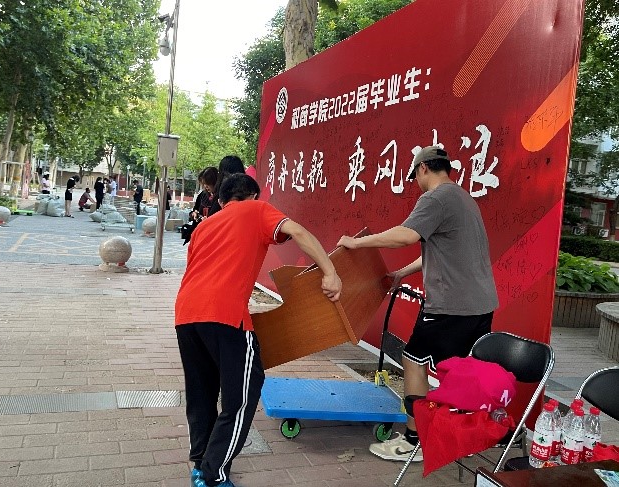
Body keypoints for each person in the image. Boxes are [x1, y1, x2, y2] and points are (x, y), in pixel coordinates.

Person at [175, 174, 342, 487]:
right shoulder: (257, 209)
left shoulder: (204, 226)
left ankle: (200, 464)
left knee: (201, 393)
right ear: (253, 196)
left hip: (186, 314)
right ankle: (213, 475)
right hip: (225, 316)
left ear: (221, 200)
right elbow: (297, 231)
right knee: (242, 394)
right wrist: (330, 272)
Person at [337, 146, 499, 463]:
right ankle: (455, 435)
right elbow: (441, 251)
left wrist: (357, 243)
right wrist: (401, 273)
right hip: (480, 306)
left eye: (415, 176)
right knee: (456, 371)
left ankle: (414, 440)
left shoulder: (435, 198)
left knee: (413, 359)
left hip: (451, 306)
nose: (416, 183)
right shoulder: (464, 199)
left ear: (423, 168)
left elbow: (406, 236)